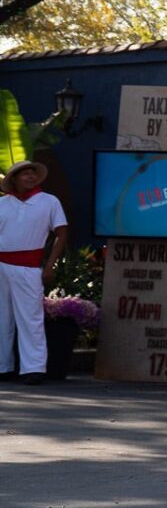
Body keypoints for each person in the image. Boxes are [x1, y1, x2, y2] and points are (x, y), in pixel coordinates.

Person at [0, 160, 69, 386]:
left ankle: (34, 368)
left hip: (28, 266)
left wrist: (49, 266)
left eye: (32, 174)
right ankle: (3, 366)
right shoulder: (3, 203)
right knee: (2, 318)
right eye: (24, 174)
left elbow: (61, 233)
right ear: (14, 180)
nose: (30, 177)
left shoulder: (49, 201)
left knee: (31, 318)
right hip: (1, 264)